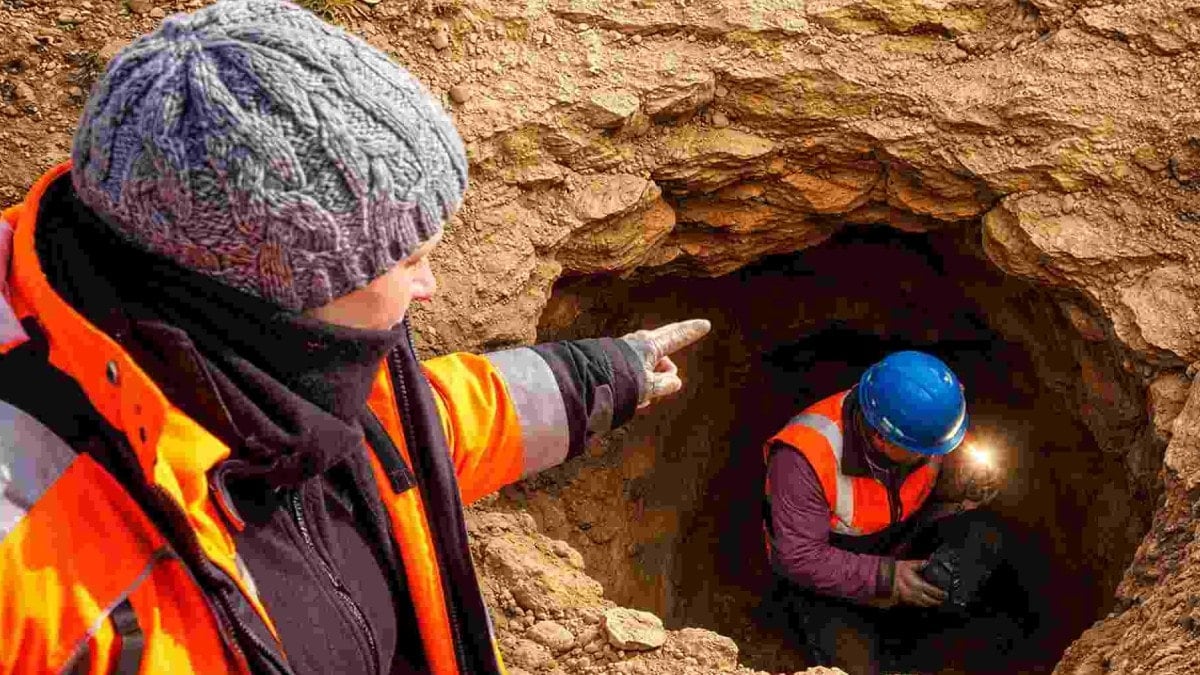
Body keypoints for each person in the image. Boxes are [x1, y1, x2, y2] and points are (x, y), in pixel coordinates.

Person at [0, 2, 710, 673]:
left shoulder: (276, 363)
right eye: (406, 260)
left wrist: (599, 374)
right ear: (278, 288)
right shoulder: (25, 560)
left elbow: (409, 437)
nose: (429, 285)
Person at [763, 351, 1034, 675]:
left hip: (904, 535)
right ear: (882, 438)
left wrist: (964, 485)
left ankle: (946, 631)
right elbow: (798, 557)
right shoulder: (803, 459)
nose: (937, 455)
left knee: (985, 538)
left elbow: (942, 452)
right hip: (830, 580)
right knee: (860, 669)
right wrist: (890, 579)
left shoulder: (929, 415)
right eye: (926, 450)